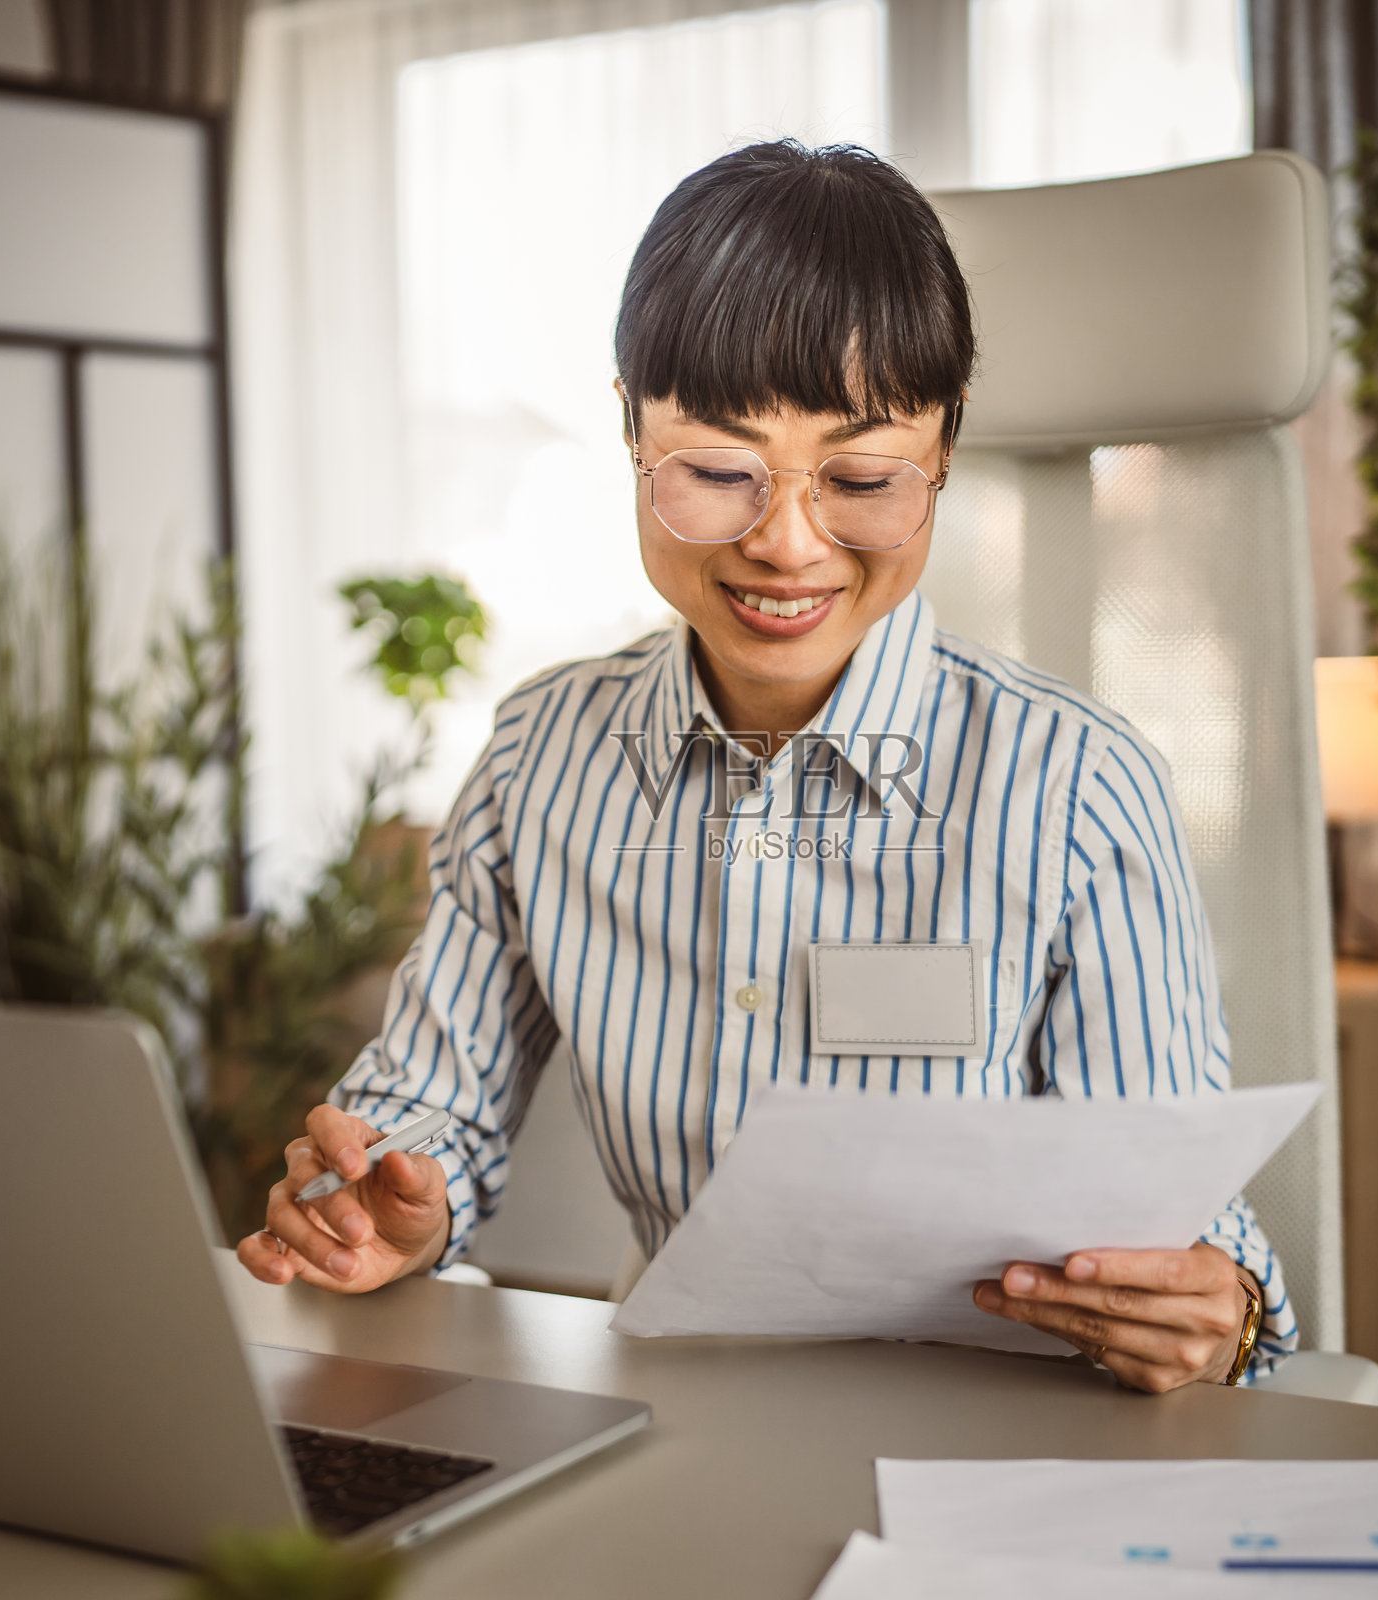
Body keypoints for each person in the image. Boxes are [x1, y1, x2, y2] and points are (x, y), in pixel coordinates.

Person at [239, 140, 1294, 1391]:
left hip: (1003, 1425)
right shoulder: (539, 756)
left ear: (945, 450)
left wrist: (1212, 1305)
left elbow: (1164, 1200)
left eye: (860, 477)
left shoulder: (1076, 785)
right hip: (679, 1408)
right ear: (631, 427)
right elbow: (430, 1110)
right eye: (718, 471)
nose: (786, 544)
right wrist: (388, 1197)